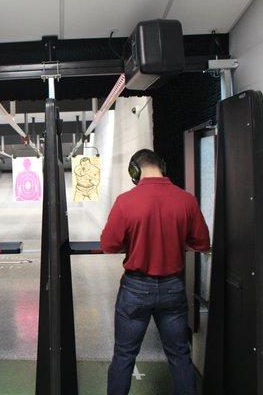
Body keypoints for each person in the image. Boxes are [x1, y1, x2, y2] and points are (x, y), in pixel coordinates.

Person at [101, 149, 210, 395]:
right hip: (173, 287)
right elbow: (202, 242)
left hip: (136, 289)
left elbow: (108, 245)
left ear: (134, 171)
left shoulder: (125, 201)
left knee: (124, 355)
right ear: (162, 166)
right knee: (180, 355)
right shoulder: (186, 199)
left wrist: (136, 240)